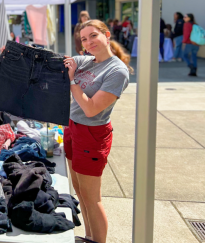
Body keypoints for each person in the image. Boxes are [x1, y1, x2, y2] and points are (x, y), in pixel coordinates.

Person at [63, 19, 132, 243]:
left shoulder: (117, 71)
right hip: (73, 127)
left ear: (107, 35)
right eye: (84, 39)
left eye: (93, 35)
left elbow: (91, 109)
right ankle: (89, 237)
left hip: (92, 133)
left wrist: (73, 81)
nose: (89, 42)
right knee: (79, 190)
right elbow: (58, 62)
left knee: (92, 197)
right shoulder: (87, 61)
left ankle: (98, 241)